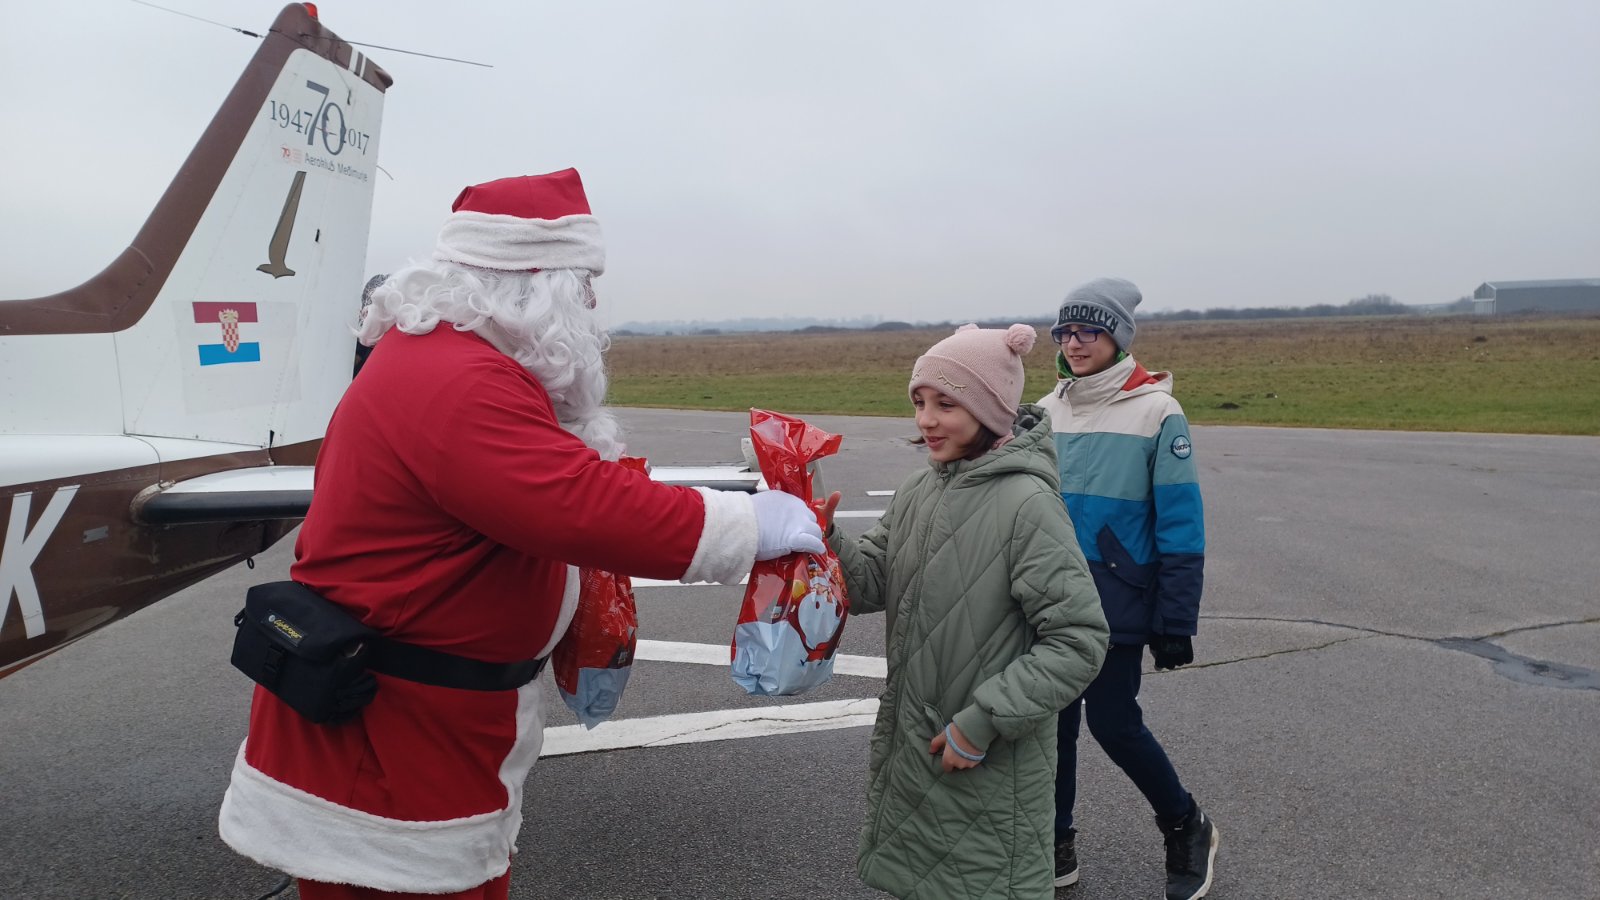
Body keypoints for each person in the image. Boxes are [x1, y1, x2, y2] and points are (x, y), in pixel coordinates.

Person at [217, 169, 826, 899]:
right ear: (533, 285)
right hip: (394, 749)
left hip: (414, 729)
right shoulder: (456, 378)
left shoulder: (442, 361)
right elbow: (576, 502)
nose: (593, 308)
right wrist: (750, 523)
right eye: (583, 286)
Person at [819, 323, 1109, 899]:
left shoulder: (1026, 504)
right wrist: (825, 535)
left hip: (984, 762)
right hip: (919, 747)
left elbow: (1078, 640)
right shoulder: (916, 492)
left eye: (946, 403)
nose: (926, 419)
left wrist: (981, 724)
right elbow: (874, 581)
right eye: (920, 401)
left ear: (989, 410)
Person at [1037, 278, 1218, 900]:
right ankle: (1056, 842)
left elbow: (1181, 524)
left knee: (1114, 724)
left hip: (1116, 599)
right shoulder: (1046, 410)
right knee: (1052, 727)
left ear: (1117, 337)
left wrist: (1176, 618)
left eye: (1089, 330)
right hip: (1049, 600)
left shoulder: (1158, 413)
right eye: (1065, 331)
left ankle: (1186, 824)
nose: (1075, 342)